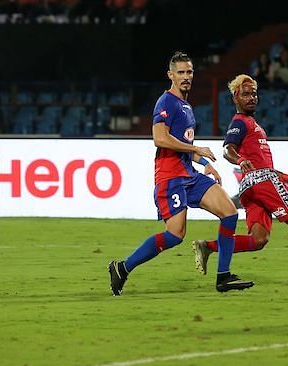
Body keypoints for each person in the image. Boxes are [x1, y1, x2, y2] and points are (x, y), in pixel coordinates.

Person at [108, 52, 254, 295]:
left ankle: (223, 276)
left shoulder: (185, 105)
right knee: (175, 235)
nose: (186, 77)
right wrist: (196, 148)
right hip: (171, 178)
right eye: (181, 72)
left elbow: (182, 143)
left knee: (229, 212)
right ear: (171, 75)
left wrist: (204, 162)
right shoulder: (166, 102)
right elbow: (160, 139)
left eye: (190, 72)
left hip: (190, 174)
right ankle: (122, 267)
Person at [192, 74, 288, 290]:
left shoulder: (253, 124)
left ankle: (208, 247)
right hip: (260, 182)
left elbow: (261, 164)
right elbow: (227, 149)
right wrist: (240, 159)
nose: (251, 98)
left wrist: (287, 177)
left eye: (254, 94)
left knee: (258, 240)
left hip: (251, 186)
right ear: (235, 97)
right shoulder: (240, 122)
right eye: (245, 94)